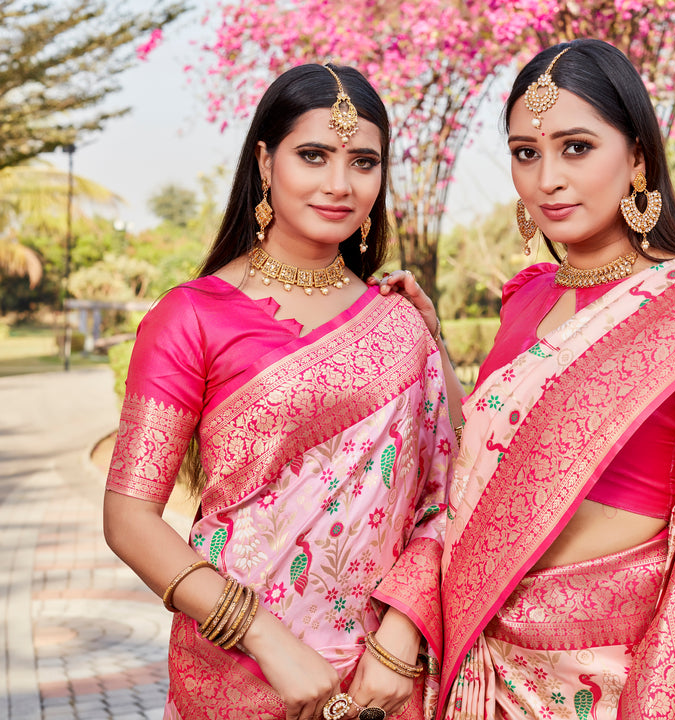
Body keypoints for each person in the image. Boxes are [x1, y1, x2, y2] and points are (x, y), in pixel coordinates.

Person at [378, 39, 675, 719]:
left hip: (623, 679)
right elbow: (482, 467)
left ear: (639, 158)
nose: (546, 179)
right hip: (488, 667)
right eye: (526, 153)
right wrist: (433, 344)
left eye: (577, 147)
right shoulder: (526, 297)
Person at [102, 63, 454, 720]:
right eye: (313, 156)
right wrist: (266, 640)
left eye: (363, 162)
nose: (339, 184)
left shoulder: (401, 322)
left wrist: (400, 637)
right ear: (265, 161)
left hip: (385, 678)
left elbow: (448, 494)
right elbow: (128, 519)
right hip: (239, 669)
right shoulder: (192, 316)